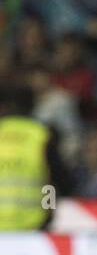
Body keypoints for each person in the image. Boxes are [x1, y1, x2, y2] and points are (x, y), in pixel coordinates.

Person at [0, 84, 72, 230]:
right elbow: (53, 182)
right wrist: (49, 211)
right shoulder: (42, 134)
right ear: (33, 105)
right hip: (33, 224)